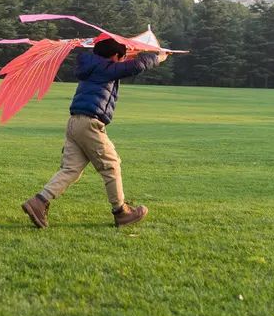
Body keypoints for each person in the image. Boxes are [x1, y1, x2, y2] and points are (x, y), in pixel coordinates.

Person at [21, 37, 166, 228]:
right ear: (114, 56)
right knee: (111, 165)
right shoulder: (106, 69)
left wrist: (131, 53)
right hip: (90, 124)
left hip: (75, 123)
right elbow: (135, 66)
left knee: (71, 170)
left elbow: (126, 62)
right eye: (120, 57)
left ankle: (39, 202)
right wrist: (158, 57)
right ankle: (121, 212)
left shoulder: (93, 65)